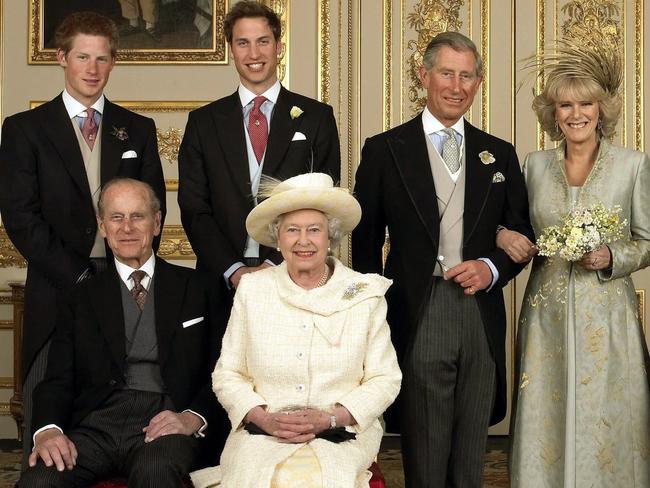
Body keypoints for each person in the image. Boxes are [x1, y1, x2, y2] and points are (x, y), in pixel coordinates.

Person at [352, 31, 534, 487]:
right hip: (418, 307)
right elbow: (366, 243)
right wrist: (371, 320)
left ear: (478, 82)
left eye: (467, 76)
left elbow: (522, 236)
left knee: (472, 448)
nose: (457, 86)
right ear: (424, 76)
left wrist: (491, 266)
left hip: (480, 312)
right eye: (447, 73)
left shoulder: (501, 154)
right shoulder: (384, 149)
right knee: (427, 449)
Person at [0, 11, 166, 468]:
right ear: (62, 59)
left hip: (125, 281)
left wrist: (122, 268)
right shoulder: (24, 129)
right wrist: (77, 276)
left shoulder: (138, 129)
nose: (92, 69)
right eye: (82, 57)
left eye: (102, 59)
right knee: (51, 409)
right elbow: (20, 215)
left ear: (113, 63)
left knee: (123, 400)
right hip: (56, 287)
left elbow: (154, 207)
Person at [190, 173, 401, 488]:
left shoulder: (363, 294)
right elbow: (227, 374)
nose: (304, 241)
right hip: (262, 433)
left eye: (314, 230)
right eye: (292, 230)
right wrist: (264, 418)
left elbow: (385, 379)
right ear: (278, 238)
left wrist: (332, 417)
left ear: (330, 237)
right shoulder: (252, 290)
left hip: (339, 434)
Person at [503, 41, 650, 487]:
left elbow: (647, 241)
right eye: (565, 104)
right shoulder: (533, 166)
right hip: (544, 318)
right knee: (544, 413)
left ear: (602, 109)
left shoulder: (632, 166)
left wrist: (611, 255)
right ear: (552, 113)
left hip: (608, 319)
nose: (575, 114)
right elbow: (513, 227)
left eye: (585, 103)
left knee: (606, 415)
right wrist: (504, 236)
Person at [18, 178, 224, 488]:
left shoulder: (200, 288)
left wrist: (192, 417)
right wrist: (48, 430)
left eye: (137, 216)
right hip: (94, 425)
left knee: (155, 473)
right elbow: (57, 378)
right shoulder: (80, 297)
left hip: (164, 421)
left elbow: (223, 372)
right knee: (40, 481)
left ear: (156, 223)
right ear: (102, 226)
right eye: (116, 217)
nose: (126, 227)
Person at [177, 1, 340, 315]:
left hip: (295, 279)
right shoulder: (203, 122)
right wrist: (234, 270)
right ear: (232, 50)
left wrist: (273, 265)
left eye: (263, 41)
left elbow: (324, 200)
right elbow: (194, 208)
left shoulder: (317, 118)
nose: (254, 54)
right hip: (220, 284)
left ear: (278, 47)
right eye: (243, 43)